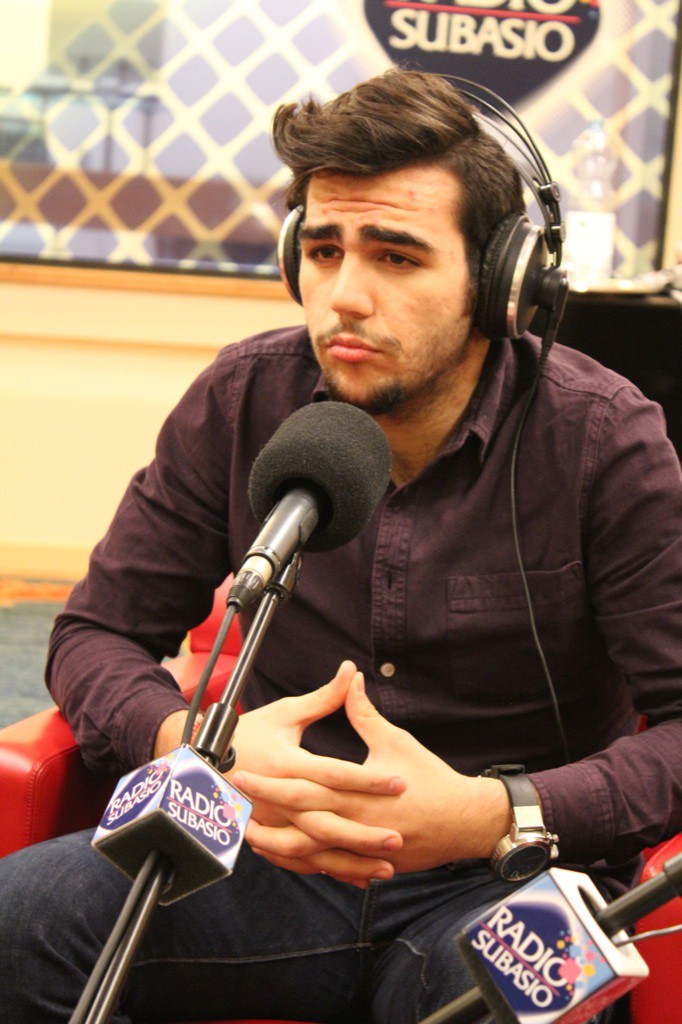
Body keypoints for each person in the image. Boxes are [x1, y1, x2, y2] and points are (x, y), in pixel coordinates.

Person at [1, 67, 681, 1024]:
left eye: (397, 257)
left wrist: (492, 812)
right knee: (14, 925)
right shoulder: (242, 400)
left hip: (502, 873)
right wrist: (202, 745)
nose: (345, 298)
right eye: (324, 250)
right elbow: (95, 632)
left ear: (501, 282)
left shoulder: (604, 441)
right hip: (262, 848)